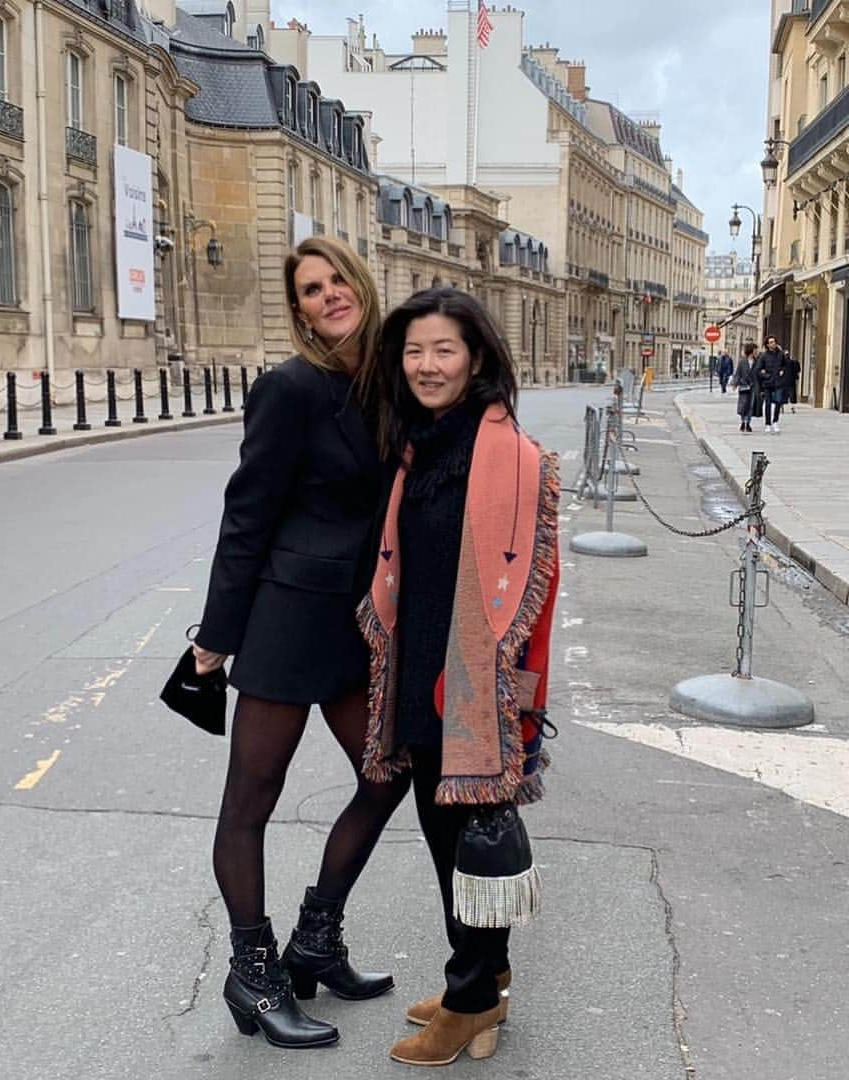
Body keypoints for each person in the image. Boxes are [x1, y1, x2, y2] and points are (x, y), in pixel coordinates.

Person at [192, 236, 410, 1050]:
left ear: (359, 283)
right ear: (301, 311)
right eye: (310, 290)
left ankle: (317, 938)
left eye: (335, 280)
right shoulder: (287, 389)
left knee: (387, 775)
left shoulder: (385, 383)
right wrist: (218, 636)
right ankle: (253, 975)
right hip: (287, 620)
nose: (327, 296)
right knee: (251, 799)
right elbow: (247, 511)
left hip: (356, 625)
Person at [358, 288, 560, 1067]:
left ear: (475, 356)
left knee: (470, 839)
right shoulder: (419, 445)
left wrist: (522, 701)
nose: (427, 365)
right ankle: (484, 976)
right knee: (446, 839)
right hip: (422, 673)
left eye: (443, 350)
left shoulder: (513, 456)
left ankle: (471, 1002)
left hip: (477, 686)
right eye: (414, 351)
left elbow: (538, 590)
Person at [756, 335, 786, 433]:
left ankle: (775, 421)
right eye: (771, 342)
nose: (773, 343)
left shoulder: (781, 354)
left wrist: (782, 370)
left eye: (774, 341)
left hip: (778, 382)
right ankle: (768, 423)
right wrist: (765, 375)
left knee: (778, 402)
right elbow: (758, 370)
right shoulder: (764, 356)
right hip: (768, 383)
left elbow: (785, 365)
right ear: (767, 345)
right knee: (768, 404)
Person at [730, 342, 761, 433]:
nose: (757, 351)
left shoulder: (757, 361)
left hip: (753, 386)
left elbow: (759, 374)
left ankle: (748, 423)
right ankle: (743, 421)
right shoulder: (742, 361)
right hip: (744, 386)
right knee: (743, 405)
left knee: (751, 406)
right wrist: (735, 384)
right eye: (755, 350)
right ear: (751, 350)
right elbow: (738, 374)